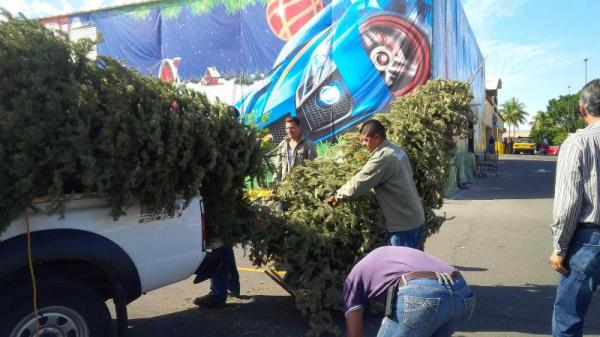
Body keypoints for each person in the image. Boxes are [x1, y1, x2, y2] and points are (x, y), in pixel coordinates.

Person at [550, 79, 600, 336]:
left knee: (568, 318)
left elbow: (568, 203)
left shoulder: (578, 143)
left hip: (589, 240)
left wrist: (559, 247)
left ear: (582, 109)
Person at [326, 119, 425, 248]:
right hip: (415, 218)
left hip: (403, 226)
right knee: (413, 262)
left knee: (401, 266)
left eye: (365, 140)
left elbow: (358, 184)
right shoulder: (396, 149)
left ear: (377, 138)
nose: (362, 144)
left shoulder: (382, 157)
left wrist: (336, 196)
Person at [343, 246, 475, 337]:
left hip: (424, 293)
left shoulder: (353, 278)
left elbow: (354, 334)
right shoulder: (387, 253)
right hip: (463, 294)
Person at [273, 116, 318, 185]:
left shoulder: (308, 144)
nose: (289, 131)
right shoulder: (282, 145)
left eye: (292, 128)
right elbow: (278, 167)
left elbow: (313, 167)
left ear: (299, 127)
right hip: (285, 187)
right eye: (287, 128)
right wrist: (275, 184)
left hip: (302, 187)